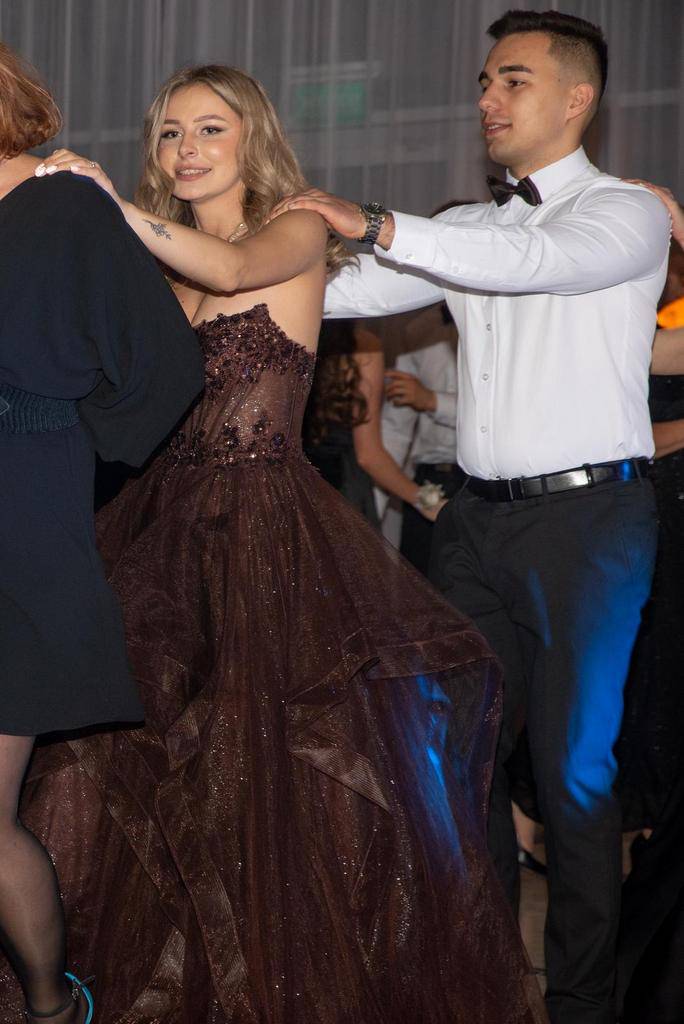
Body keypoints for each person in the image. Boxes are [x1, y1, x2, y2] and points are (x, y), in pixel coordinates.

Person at [10, 65, 549, 1023]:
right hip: (154, 530)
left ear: (251, 136)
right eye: (170, 133)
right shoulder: (151, 260)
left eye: (209, 129)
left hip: (263, 529)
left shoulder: (295, 225)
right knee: (144, 772)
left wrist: (98, 205)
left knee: (263, 780)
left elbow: (229, 272)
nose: (186, 150)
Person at [276, 10, 672, 1023]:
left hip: (589, 525)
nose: (488, 98)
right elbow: (340, 293)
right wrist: (221, 254)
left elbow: (533, 264)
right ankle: (488, 985)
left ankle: (581, 1006)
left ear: (578, 99)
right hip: (473, 524)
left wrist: (375, 218)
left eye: (513, 80)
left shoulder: (625, 212)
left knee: (575, 776)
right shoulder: (477, 228)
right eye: (485, 82)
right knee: (454, 760)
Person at [0, 44, 203, 1024]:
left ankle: (51, 1006)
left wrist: (62, 455)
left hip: (20, 531)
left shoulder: (65, 206)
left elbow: (163, 367)